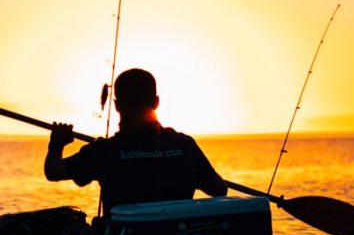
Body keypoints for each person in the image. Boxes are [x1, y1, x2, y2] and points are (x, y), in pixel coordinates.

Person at [45, 68, 228, 211]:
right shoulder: (185, 146)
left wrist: (57, 144)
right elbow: (219, 189)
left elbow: (53, 171)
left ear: (117, 105)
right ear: (156, 102)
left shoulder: (104, 151)